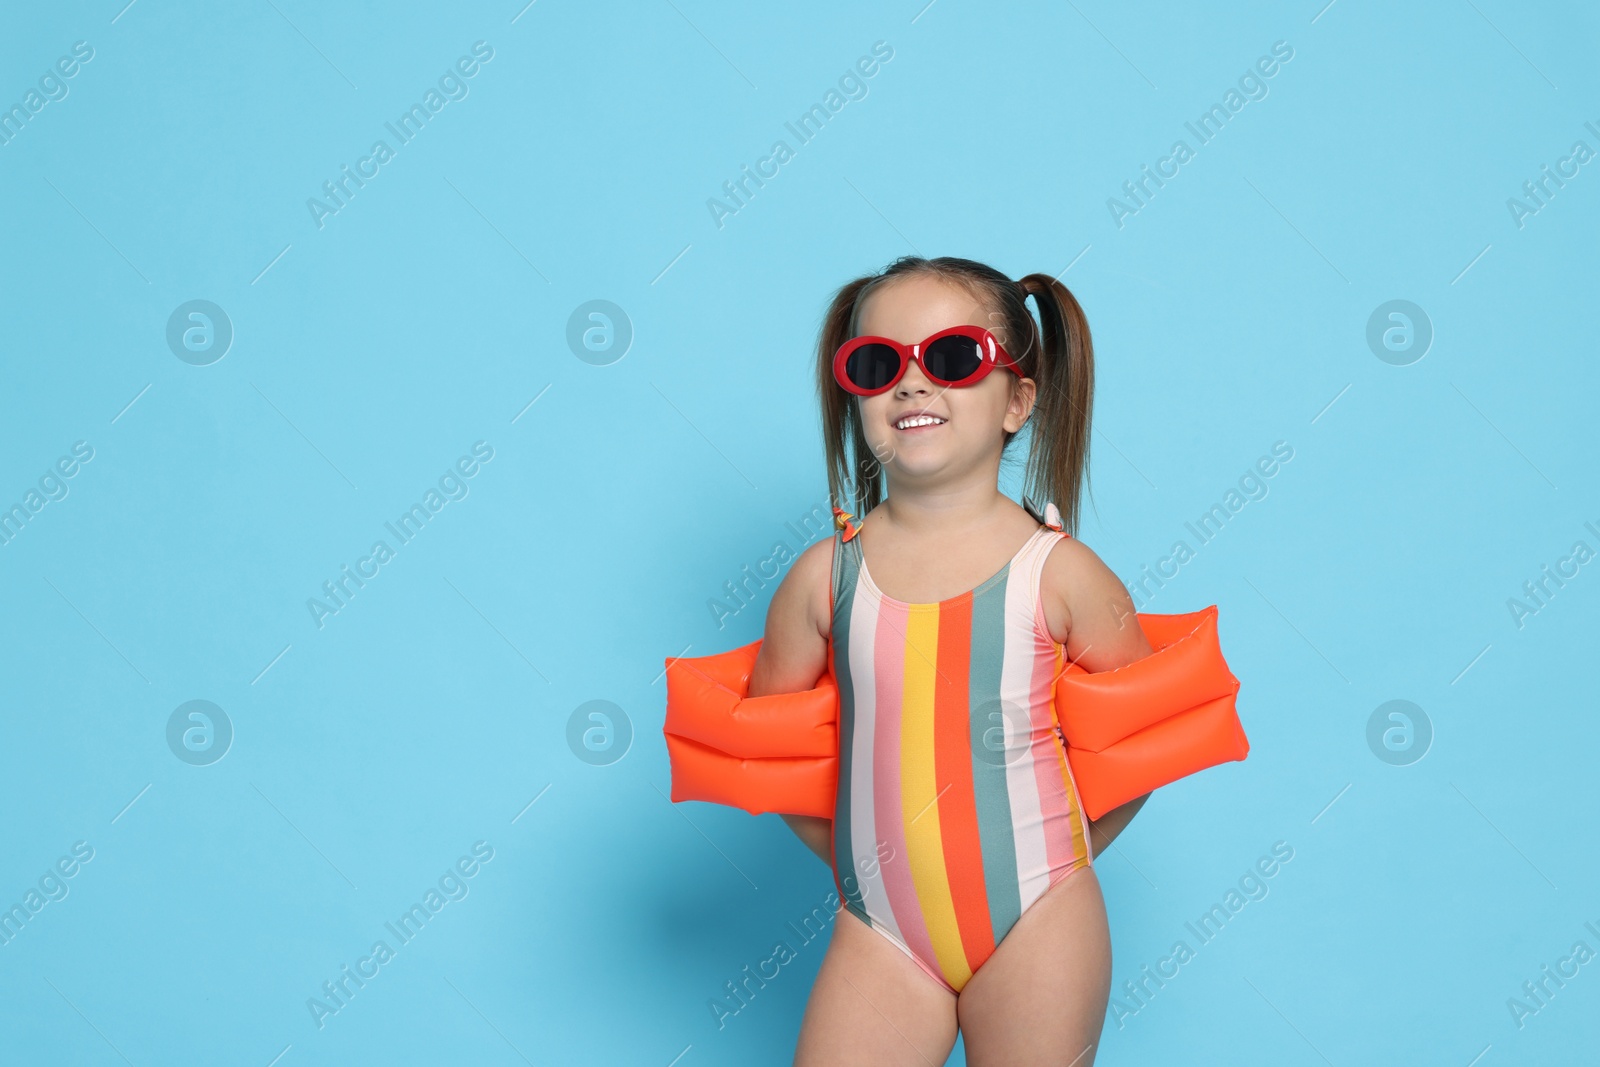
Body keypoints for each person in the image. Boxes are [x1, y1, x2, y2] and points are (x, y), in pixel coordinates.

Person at [750, 255, 1154, 1065]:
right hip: (882, 929)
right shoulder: (821, 579)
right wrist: (861, 867)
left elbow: (1143, 741)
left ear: (1018, 400)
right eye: (877, 365)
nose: (911, 384)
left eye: (952, 358)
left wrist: (1057, 859)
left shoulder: (1063, 572)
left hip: (1039, 916)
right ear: (854, 397)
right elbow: (767, 749)